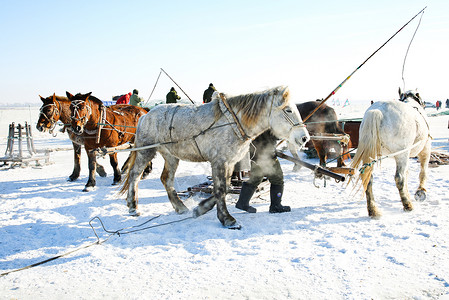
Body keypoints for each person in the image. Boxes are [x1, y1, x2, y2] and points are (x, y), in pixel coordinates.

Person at [235, 130, 290, 214]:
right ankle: (276, 206)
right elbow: (276, 135)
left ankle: (242, 203)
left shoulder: (256, 120)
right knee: (277, 179)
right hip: (267, 155)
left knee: (255, 179)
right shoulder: (270, 121)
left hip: (256, 154)